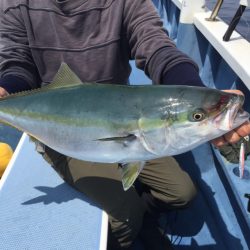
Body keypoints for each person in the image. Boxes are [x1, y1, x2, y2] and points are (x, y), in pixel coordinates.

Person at [0, 0, 250, 249]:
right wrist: (7, 90)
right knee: (125, 215)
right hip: (62, 132)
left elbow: (156, 46)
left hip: (126, 123)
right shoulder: (16, 4)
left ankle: (145, 219)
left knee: (181, 193)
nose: (200, 119)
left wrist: (199, 94)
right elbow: (17, 62)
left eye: (196, 118)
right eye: (197, 118)